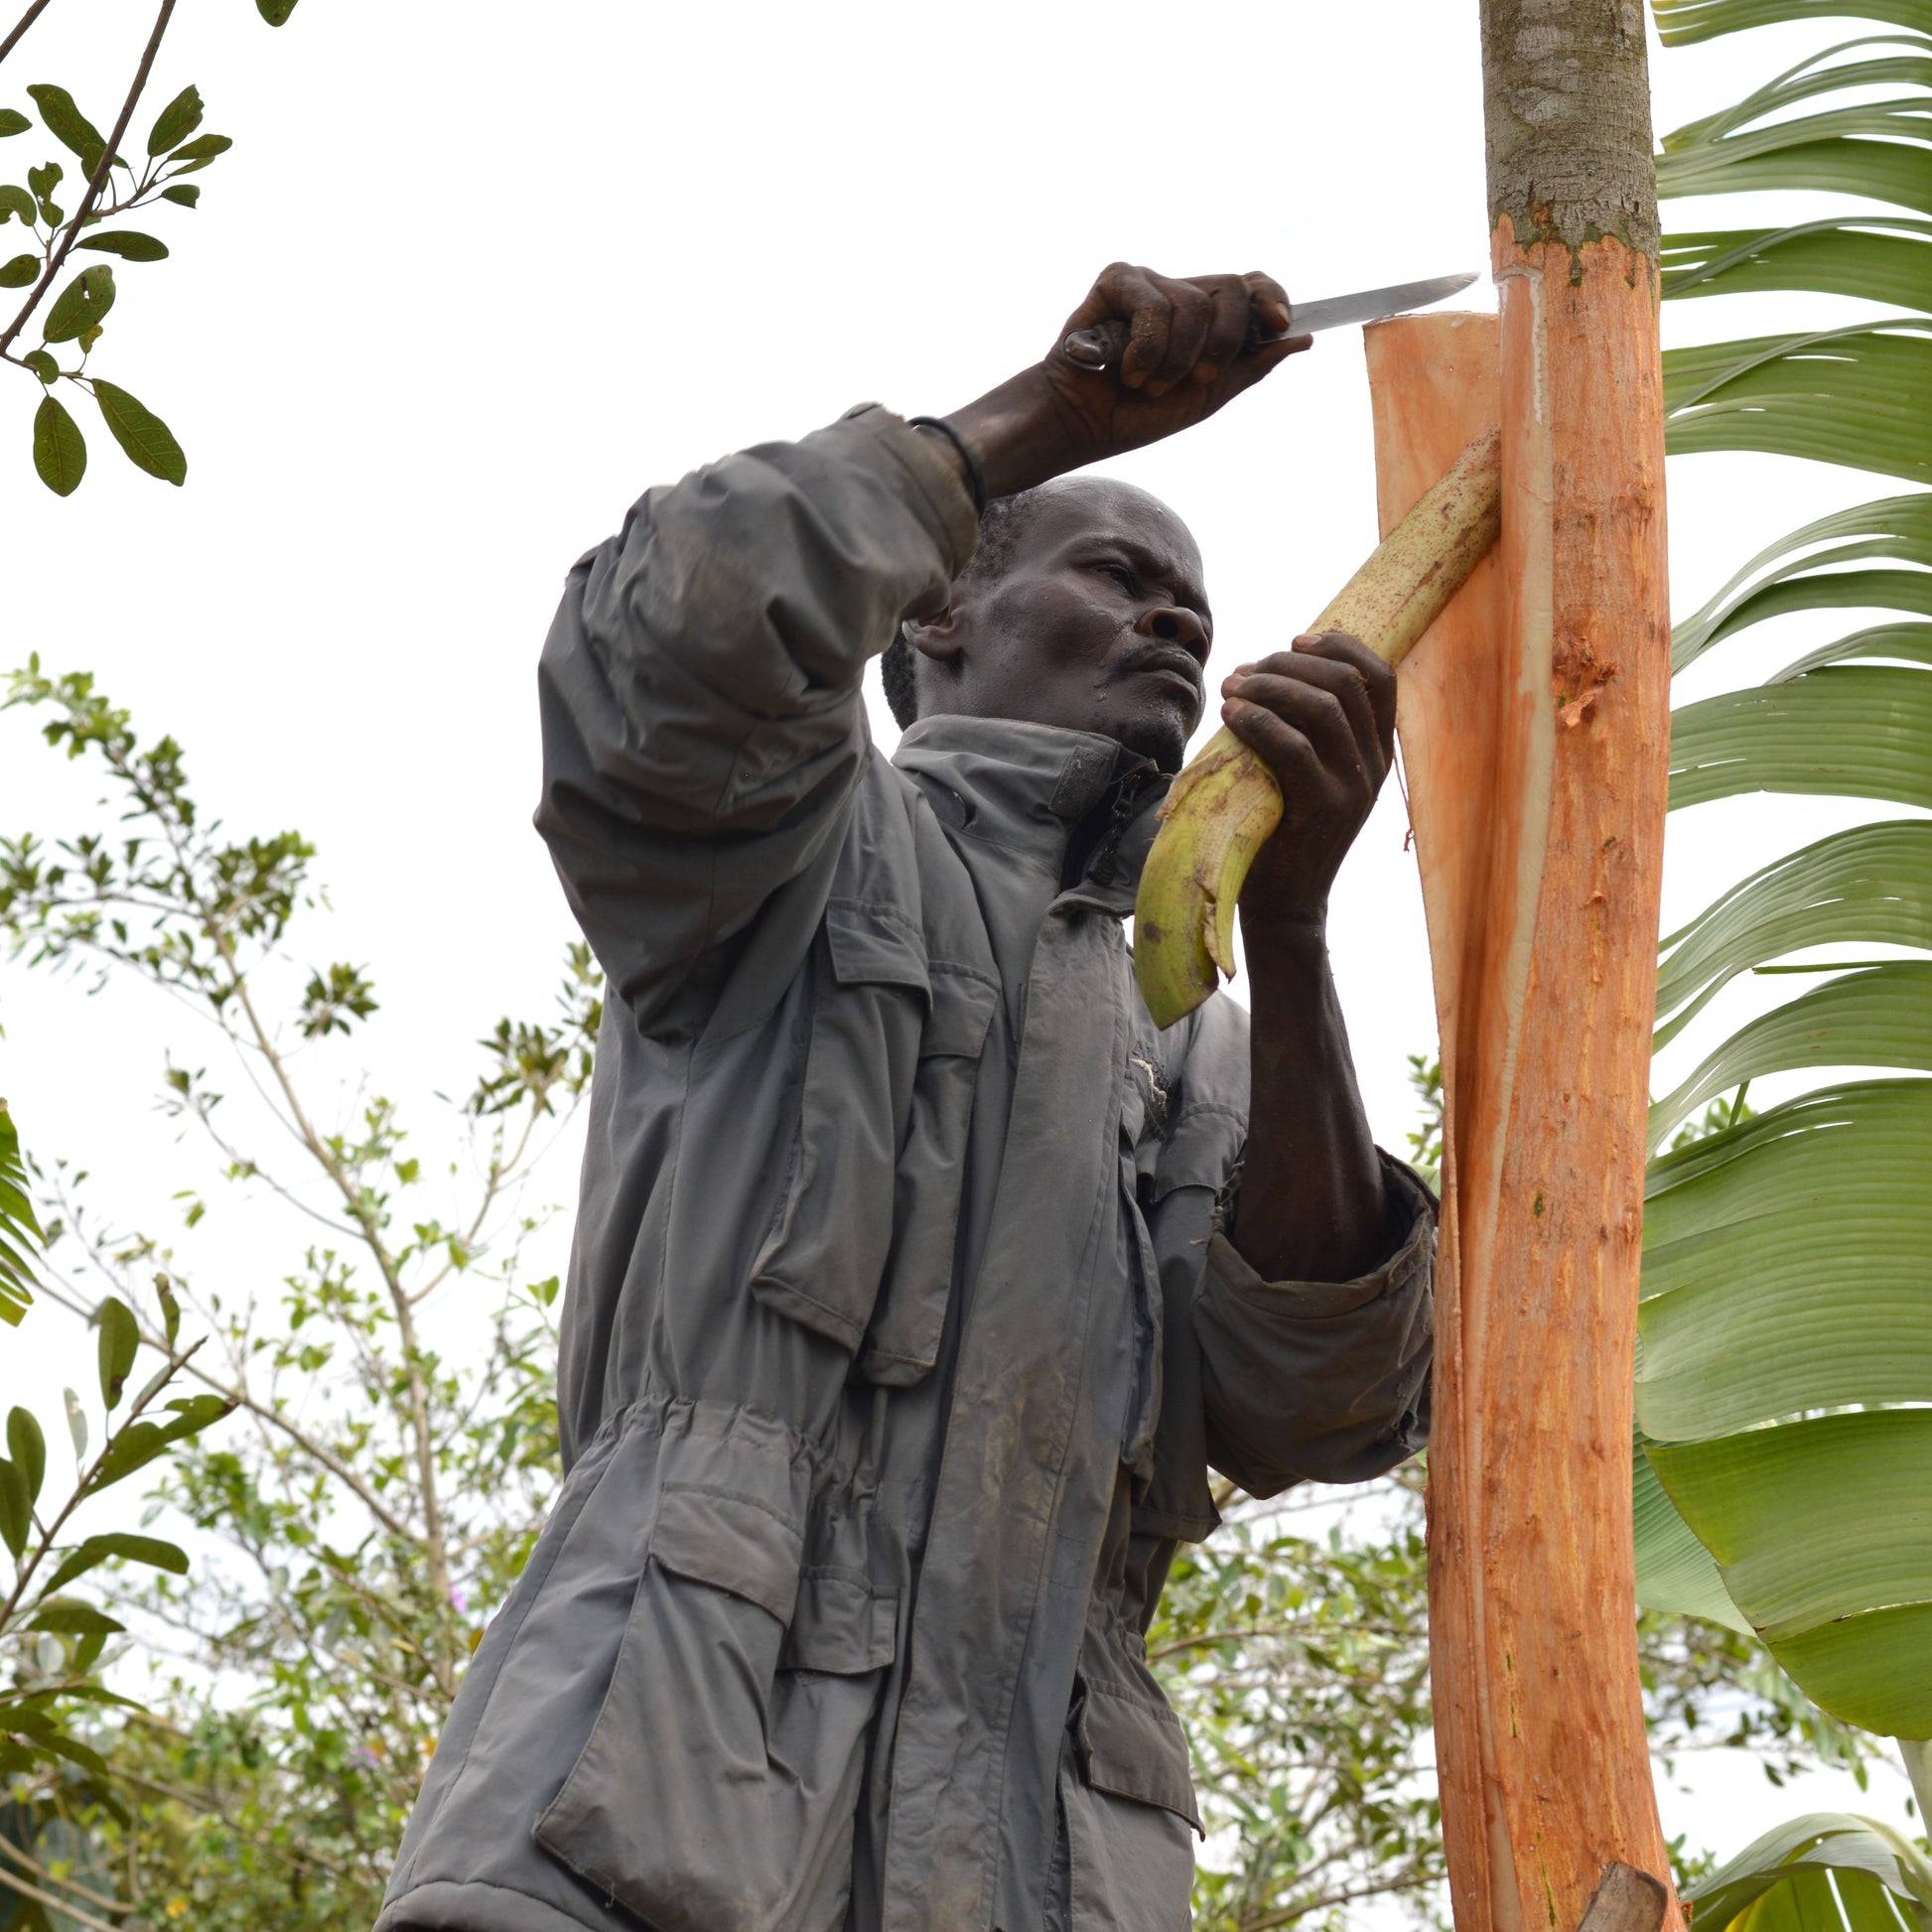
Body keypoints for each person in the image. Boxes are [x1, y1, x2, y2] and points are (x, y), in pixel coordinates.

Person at [377, 264, 1436, 1932]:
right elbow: (664, 645)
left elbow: (1323, 1396)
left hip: (1030, 1861)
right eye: (1117, 573)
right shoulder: (791, 849)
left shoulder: (1202, 1038)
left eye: (1198, 612)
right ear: (936, 611)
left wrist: (1292, 927)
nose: (1175, 621)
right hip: (634, 1808)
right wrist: (1037, 419)